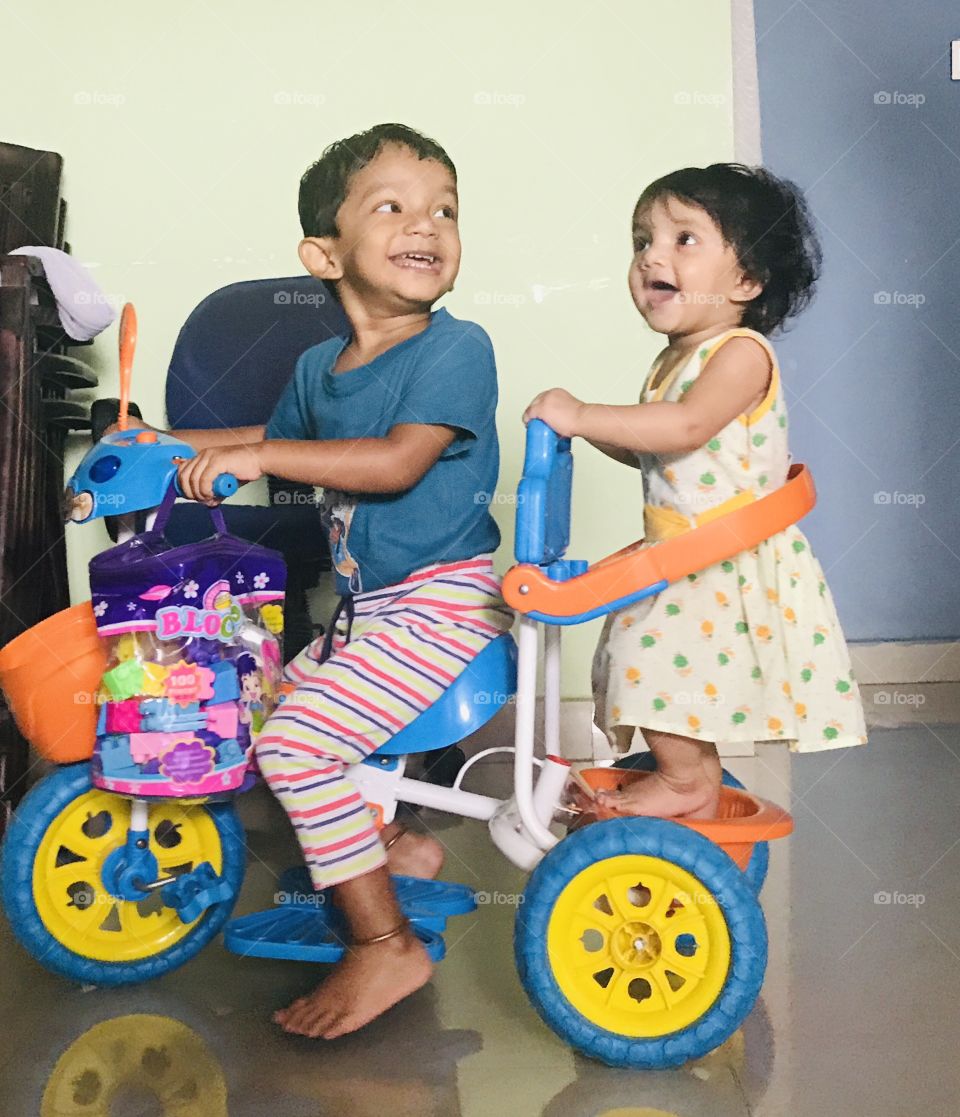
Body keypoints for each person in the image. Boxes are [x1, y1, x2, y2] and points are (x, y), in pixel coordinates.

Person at [124, 123, 513, 1037]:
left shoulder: (457, 349)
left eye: (444, 210)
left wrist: (253, 450)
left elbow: (391, 464)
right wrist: (155, 449)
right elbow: (270, 447)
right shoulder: (317, 367)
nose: (427, 225)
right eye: (393, 207)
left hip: (444, 610)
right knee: (244, 709)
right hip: (371, 614)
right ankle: (395, 847)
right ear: (324, 253)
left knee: (296, 745)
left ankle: (385, 945)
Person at [524, 163, 867, 821]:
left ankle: (685, 783)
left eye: (683, 239)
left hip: (722, 558)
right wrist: (587, 430)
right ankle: (691, 775)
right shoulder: (671, 361)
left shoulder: (739, 354)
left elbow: (685, 425)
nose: (652, 254)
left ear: (746, 280)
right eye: (641, 240)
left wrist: (583, 412)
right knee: (659, 665)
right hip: (686, 554)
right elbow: (659, 446)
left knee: (647, 660)